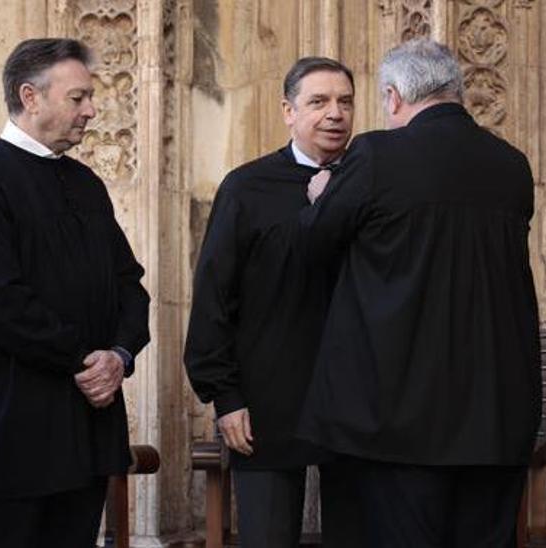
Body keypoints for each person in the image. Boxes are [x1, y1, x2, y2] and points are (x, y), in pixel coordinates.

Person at [297, 38, 541, 548]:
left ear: (392, 97)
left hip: (398, 422)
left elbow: (316, 247)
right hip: (495, 417)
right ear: (456, 91)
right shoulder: (511, 165)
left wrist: (322, 197)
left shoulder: (376, 154)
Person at [0, 38, 151, 548]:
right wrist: (85, 360)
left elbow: (130, 286)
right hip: (20, 423)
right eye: (77, 98)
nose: (91, 111)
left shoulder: (86, 184)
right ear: (30, 96)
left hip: (90, 419)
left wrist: (119, 355)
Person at [185, 56, 361, 547]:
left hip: (359, 402)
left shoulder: (373, 182)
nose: (334, 114)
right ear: (288, 110)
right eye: (318, 101)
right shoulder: (247, 187)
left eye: (345, 102)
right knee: (266, 537)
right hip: (265, 401)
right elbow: (215, 295)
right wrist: (225, 395)